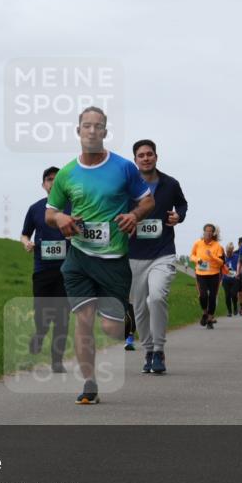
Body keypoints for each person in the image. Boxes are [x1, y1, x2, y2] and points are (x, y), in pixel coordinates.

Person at [46, 107, 155, 403]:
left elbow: (147, 201)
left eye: (98, 127)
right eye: (87, 126)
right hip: (79, 258)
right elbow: (50, 212)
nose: (92, 131)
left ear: (105, 133)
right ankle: (89, 383)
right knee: (83, 320)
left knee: (111, 329)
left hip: (113, 260)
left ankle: (127, 319)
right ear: (78, 131)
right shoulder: (67, 173)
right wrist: (60, 220)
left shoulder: (123, 168)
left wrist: (134, 215)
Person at [128, 139, 188, 373]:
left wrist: (178, 216)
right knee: (140, 307)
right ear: (135, 160)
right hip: (134, 254)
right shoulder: (127, 186)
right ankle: (149, 350)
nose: (146, 158)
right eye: (141, 155)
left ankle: (159, 350)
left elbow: (182, 205)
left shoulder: (170, 184)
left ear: (156, 156)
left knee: (157, 298)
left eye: (149, 154)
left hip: (162, 252)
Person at [21, 167, 71, 373]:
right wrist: (27, 243)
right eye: (49, 180)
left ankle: (57, 361)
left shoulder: (73, 206)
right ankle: (39, 335)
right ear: (43, 185)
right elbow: (25, 234)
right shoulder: (35, 209)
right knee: (42, 316)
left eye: (56, 179)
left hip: (67, 270)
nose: (52, 182)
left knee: (62, 317)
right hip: (42, 269)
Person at [189, 224, 225, 331]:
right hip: (201, 273)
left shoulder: (217, 246)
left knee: (212, 297)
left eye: (210, 231)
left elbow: (221, 262)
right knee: (203, 295)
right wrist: (197, 259)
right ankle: (205, 313)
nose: (208, 233)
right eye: (206, 231)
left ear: (213, 233)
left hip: (214, 274)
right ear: (203, 232)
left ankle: (209, 320)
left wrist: (212, 256)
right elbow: (191, 256)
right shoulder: (197, 243)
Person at [222, 243, 241, 316]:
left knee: (233, 294)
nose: (228, 253)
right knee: (227, 296)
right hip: (226, 279)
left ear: (232, 250)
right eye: (227, 251)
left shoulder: (236, 257)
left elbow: (240, 266)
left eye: (230, 251)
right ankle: (229, 311)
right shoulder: (223, 258)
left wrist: (238, 273)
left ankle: (235, 308)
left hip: (235, 279)